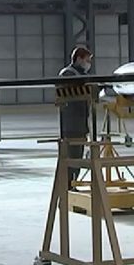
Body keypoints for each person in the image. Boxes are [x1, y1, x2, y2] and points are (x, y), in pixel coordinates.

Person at [60, 46, 92, 190]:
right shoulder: (68, 74)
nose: (88, 64)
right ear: (79, 59)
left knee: (77, 158)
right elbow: (75, 95)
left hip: (80, 124)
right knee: (72, 158)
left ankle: (72, 185)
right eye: (87, 60)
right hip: (71, 125)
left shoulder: (80, 74)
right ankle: (68, 186)